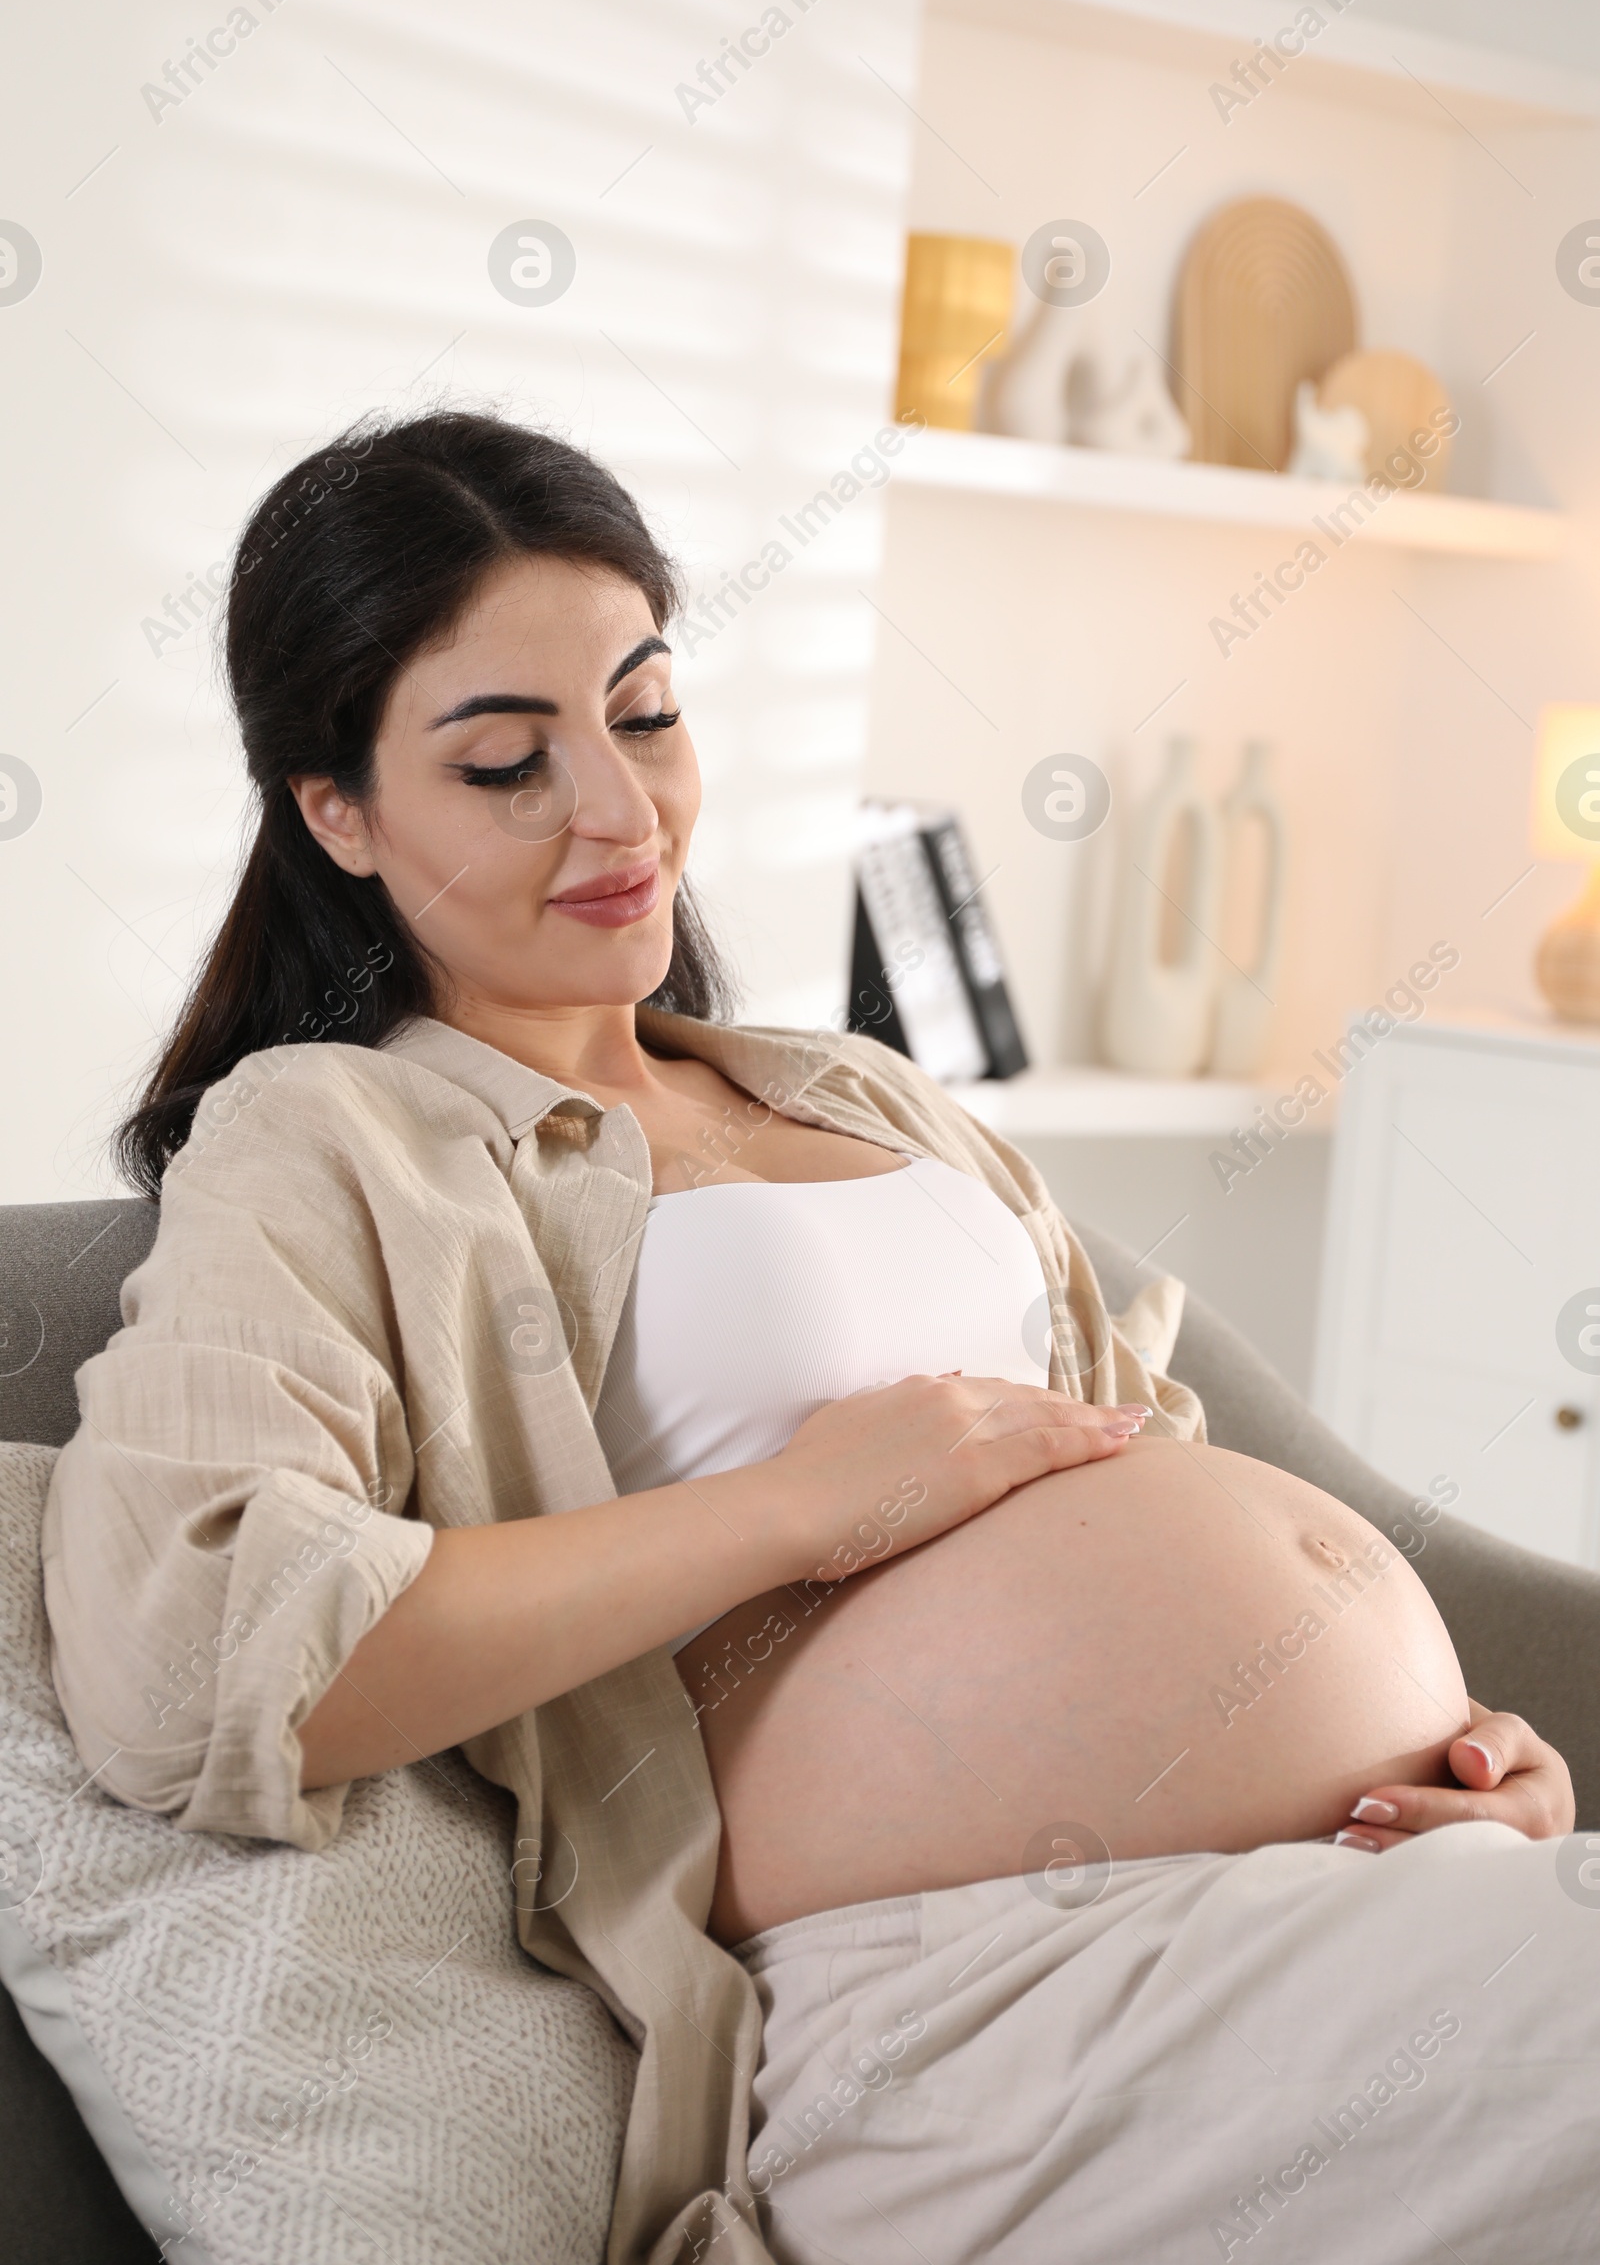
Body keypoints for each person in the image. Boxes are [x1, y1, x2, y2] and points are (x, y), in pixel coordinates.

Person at [42, 411, 1590, 2265]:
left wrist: (1439, 1741)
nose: (619, 815)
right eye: (505, 763)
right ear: (340, 814)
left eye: (646, 711)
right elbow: (190, 1653)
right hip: (985, 2006)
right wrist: (803, 1507)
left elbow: (1148, 1478)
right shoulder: (334, 1139)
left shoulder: (864, 1094)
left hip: (1336, 1895)